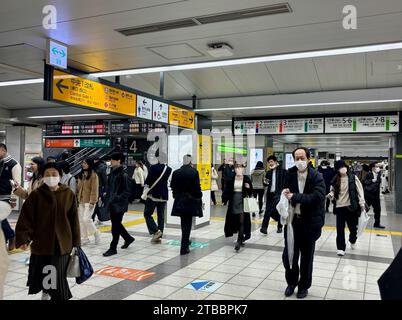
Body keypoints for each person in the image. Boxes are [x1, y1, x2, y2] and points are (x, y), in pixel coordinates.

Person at [15, 162, 80, 300]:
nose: (51, 177)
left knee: (57, 277)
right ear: (42, 177)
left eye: (54, 174)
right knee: (46, 273)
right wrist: (23, 239)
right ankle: (46, 293)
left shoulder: (68, 194)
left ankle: (57, 295)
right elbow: (26, 219)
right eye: (47, 175)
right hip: (41, 244)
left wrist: (76, 242)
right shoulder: (36, 195)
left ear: (60, 176)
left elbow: (74, 220)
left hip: (63, 244)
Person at [282, 147, 325, 299]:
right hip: (292, 223)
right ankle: (291, 283)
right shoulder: (289, 174)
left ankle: (303, 286)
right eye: (296, 158)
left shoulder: (316, 176)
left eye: (302, 158)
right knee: (289, 256)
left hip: (310, 224)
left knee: (307, 258)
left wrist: (295, 196)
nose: (299, 161)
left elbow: (318, 197)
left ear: (308, 158)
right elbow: (280, 194)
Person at [327, 160, 366, 256]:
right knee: (339, 228)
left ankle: (352, 240)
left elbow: (360, 191)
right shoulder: (335, 179)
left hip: (351, 207)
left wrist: (362, 204)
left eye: (344, 166)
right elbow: (333, 190)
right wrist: (331, 194)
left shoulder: (353, 178)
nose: (343, 169)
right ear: (337, 170)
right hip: (339, 207)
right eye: (340, 167)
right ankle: (340, 248)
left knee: (353, 228)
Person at [170, 155, 203, 255]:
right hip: (190, 201)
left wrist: (176, 196)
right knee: (188, 224)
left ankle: (186, 241)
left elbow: (173, 187)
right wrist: (199, 195)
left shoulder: (176, 172)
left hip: (179, 201)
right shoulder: (194, 172)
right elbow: (197, 188)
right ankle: (184, 247)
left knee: (183, 223)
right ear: (190, 162)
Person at [103, 152, 134, 257]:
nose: (110, 161)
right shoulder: (113, 173)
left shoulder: (123, 175)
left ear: (119, 161)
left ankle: (113, 248)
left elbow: (127, 191)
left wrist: (117, 198)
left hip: (119, 205)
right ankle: (128, 238)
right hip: (112, 203)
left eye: (112, 159)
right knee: (116, 224)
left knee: (115, 226)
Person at [223, 162, 253, 252]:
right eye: (237, 167)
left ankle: (239, 241)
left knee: (242, 221)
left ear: (243, 169)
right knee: (235, 220)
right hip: (234, 201)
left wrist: (248, 187)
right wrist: (224, 199)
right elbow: (227, 190)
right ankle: (240, 237)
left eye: (240, 167)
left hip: (243, 201)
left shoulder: (246, 178)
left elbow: (251, 192)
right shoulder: (231, 178)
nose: (238, 169)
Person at [143, 152, 172, 244]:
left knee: (147, 214)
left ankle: (156, 231)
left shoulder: (153, 168)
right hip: (163, 195)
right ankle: (159, 235)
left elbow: (148, 181)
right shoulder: (169, 169)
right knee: (161, 215)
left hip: (153, 195)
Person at [0, 143, 22, 252]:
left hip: (6, 196)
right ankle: (4, 240)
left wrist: (14, 199)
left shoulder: (14, 164)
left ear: (3, 151)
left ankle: (11, 235)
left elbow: (16, 184)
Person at [261, 155, 287, 234]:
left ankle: (279, 226)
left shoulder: (283, 171)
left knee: (279, 210)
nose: (270, 164)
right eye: (269, 162)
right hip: (270, 194)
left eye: (271, 162)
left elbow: (286, 182)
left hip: (278, 194)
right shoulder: (268, 173)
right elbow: (266, 184)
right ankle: (264, 228)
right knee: (268, 211)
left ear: (276, 162)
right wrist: (264, 182)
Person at [77, 158, 100, 245]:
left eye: (85, 163)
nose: (83, 164)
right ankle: (85, 238)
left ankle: (96, 233)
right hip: (81, 201)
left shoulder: (94, 175)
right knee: (81, 221)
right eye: (82, 162)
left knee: (86, 219)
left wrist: (92, 201)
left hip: (89, 201)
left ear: (90, 164)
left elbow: (95, 190)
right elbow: (78, 189)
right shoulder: (81, 175)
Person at [363, 162, 385, 229]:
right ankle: (356, 221)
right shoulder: (368, 174)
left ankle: (377, 223)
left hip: (376, 196)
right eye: (376, 166)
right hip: (368, 196)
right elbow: (364, 181)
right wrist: (372, 181)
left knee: (378, 210)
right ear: (372, 168)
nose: (377, 168)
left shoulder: (378, 174)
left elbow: (378, 183)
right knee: (364, 210)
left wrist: (374, 182)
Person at [92, 156, 108, 224]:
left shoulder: (102, 167)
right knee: (96, 204)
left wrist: (105, 190)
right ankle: (99, 217)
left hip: (99, 188)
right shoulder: (92, 167)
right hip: (93, 187)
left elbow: (104, 179)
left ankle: (93, 218)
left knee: (96, 203)